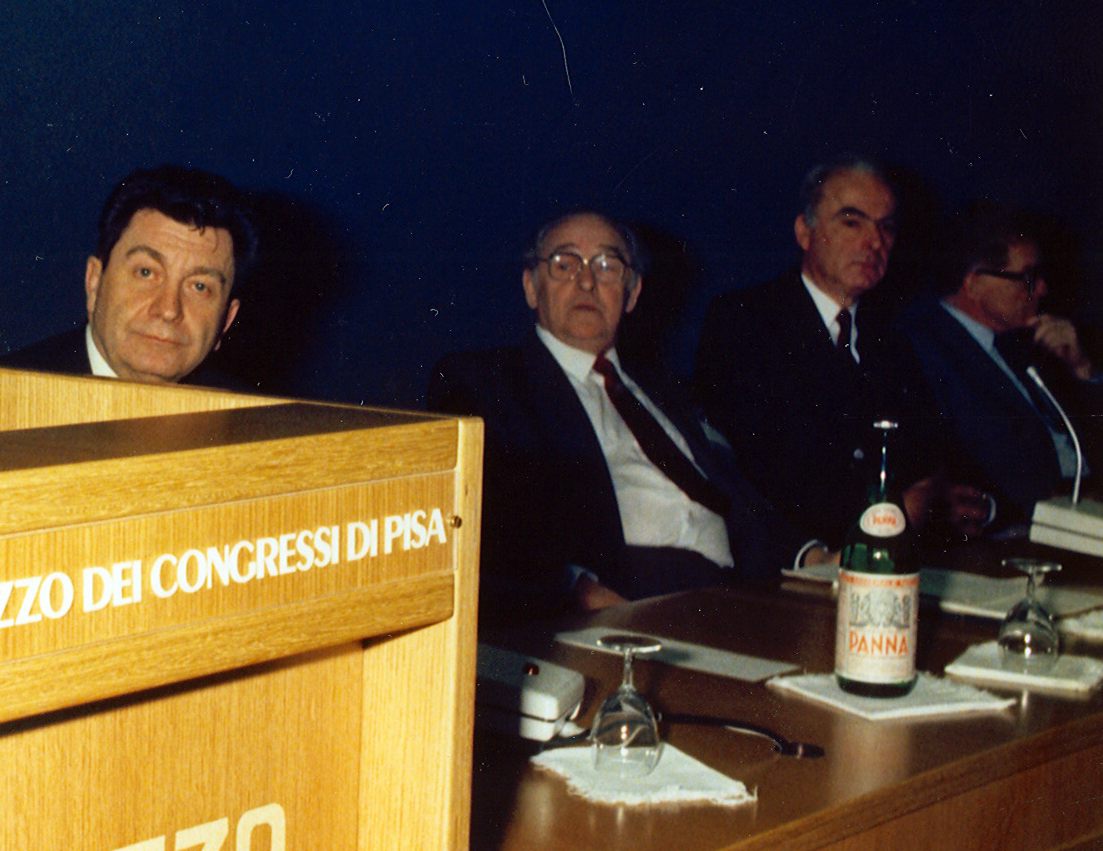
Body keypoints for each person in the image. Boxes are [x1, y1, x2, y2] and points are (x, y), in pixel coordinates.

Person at [429, 212, 816, 621]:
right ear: (531, 286)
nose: (586, 282)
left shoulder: (669, 390)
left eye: (607, 266)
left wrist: (809, 556)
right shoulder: (487, 383)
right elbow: (480, 530)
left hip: (736, 592)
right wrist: (579, 591)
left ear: (632, 294)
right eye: (564, 264)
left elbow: (733, 497)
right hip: (619, 598)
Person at [693, 158, 983, 546]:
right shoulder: (745, 320)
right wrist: (895, 510)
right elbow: (760, 471)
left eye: (886, 227)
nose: (874, 242)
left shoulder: (891, 338)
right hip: (796, 558)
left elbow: (928, 460)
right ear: (805, 232)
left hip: (890, 551)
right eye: (852, 223)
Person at [899, 205, 1097, 525]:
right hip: (1026, 522)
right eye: (1028, 278)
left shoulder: (1031, 342)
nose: (1042, 289)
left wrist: (1081, 369)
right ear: (974, 284)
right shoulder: (922, 349)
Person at [0, 165, 257, 388]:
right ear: (94, 282)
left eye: (199, 287)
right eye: (146, 273)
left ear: (226, 320)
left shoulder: (250, 420)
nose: (168, 310)